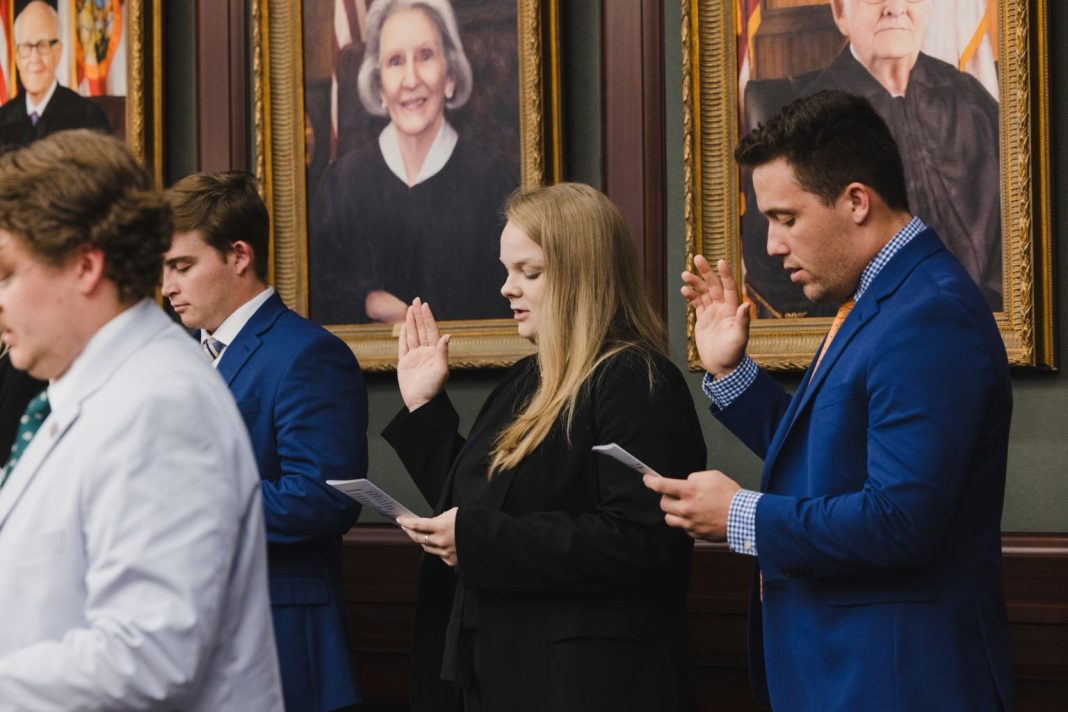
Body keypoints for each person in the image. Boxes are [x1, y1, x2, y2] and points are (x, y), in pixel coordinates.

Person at [646, 90, 1014, 710]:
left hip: (898, 683)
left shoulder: (929, 312)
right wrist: (732, 372)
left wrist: (741, 517)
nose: (771, 244)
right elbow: (830, 456)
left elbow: (899, 521)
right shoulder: (884, 297)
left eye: (786, 218)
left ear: (856, 201)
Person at [383, 183, 706, 712]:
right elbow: (478, 504)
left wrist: (478, 540)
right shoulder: (525, 378)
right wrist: (423, 407)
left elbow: (640, 540)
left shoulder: (637, 380)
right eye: (507, 270)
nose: (507, 288)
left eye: (528, 272)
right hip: (498, 670)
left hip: (589, 687)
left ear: (582, 274)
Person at [0, 130, 283, 709]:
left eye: (6, 273)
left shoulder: (161, 404)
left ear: (85, 266)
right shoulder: (83, 390)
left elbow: (149, 654)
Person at [162, 170, 367, 712]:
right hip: (188, 638)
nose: (167, 287)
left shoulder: (308, 354)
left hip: (281, 640)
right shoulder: (176, 358)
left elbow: (324, 497)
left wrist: (184, 509)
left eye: (182, 266)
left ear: (238, 256)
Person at [741, 0, 1001, 316]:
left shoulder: (970, 100)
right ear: (841, 12)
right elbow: (772, 269)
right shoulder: (806, 126)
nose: (896, 8)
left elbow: (1016, 227)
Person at [310, 0, 516, 325]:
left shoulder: (494, 184)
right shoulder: (342, 183)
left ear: (450, 75)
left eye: (425, 56)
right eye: (395, 61)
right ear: (379, 85)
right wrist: (370, 302)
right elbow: (320, 296)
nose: (411, 79)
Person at [0, 1, 111, 154]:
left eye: (43, 45)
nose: (34, 58)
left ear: (58, 52)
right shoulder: (3, 119)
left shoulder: (88, 118)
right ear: (17, 57)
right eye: (26, 46)